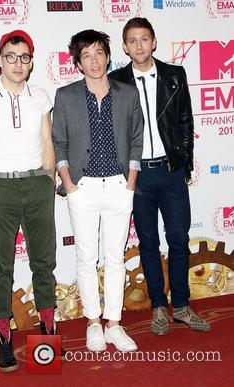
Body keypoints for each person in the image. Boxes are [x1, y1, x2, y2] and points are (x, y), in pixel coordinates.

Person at [0, 30, 59, 372]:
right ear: (0, 59)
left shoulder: (41, 96)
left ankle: (48, 332)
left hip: (37, 186)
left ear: (32, 62)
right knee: (1, 265)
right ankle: (4, 337)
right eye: (11, 56)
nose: (18, 64)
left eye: (24, 57)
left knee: (44, 261)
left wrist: (48, 180)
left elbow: (48, 140)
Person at [109, 17, 210, 335]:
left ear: (153, 42)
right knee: (149, 244)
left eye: (144, 39)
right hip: (138, 178)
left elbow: (185, 121)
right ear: (125, 47)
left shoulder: (174, 75)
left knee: (179, 241)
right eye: (132, 40)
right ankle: (158, 308)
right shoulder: (115, 82)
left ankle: (181, 306)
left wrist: (185, 164)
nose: (139, 45)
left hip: (171, 172)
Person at [53, 29, 143, 352]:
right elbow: (59, 142)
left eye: (98, 53)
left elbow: (136, 139)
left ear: (108, 55)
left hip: (120, 186)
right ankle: (93, 322)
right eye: (86, 55)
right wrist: (68, 183)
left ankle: (114, 324)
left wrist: (131, 181)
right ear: (78, 63)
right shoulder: (65, 96)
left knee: (115, 257)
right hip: (83, 187)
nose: (94, 60)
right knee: (86, 257)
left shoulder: (128, 94)